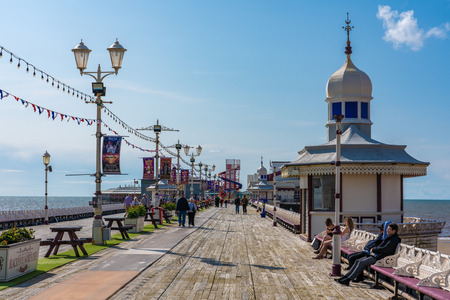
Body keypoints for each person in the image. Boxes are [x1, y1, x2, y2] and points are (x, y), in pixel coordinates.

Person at [336, 223, 401, 286]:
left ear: (394, 231)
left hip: (380, 258)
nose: (387, 230)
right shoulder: (390, 238)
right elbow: (381, 246)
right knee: (357, 261)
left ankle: (348, 279)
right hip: (376, 255)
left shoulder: (393, 239)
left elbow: (385, 249)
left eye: (389, 229)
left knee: (361, 262)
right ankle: (345, 277)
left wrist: (374, 249)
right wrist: (374, 249)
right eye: (387, 229)